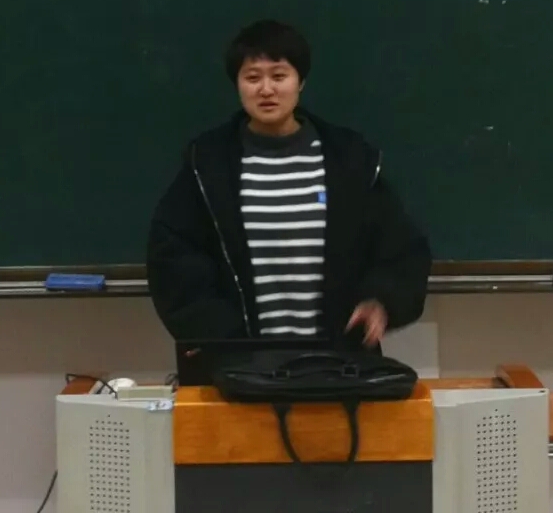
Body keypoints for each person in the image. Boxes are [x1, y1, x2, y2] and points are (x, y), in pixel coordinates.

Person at [146, 19, 431, 348]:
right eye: (252, 78)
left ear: (301, 81)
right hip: (241, 362)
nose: (266, 90)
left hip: (339, 359)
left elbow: (402, 249)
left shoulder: (349, 160)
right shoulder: (208, 165)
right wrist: (221, 336)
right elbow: (173, 259)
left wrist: (381, 300)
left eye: (279, 76)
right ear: (237, 84)